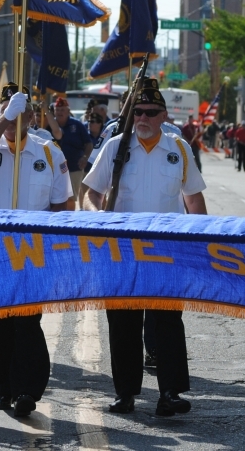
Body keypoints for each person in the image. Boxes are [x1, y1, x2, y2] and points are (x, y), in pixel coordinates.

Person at [83, 78, 207, 417]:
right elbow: (90, 194)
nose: (143, 118)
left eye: (151, 112)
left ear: (164, 116)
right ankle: (125, 393)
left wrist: (201, 243)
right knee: (123, 322)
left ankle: (169, 392)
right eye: (137, 111)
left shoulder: (178, 149)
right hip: (122, 252)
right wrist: (98, 218)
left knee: (167, 321)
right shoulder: (116, 148)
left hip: (167, 251)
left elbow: (194, 199)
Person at [0, 84, 73, 416]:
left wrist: (60, 252)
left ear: (31, 115)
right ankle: (2, 388)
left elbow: (62, 207)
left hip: (32, 253)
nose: (17, 117)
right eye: (9, 110)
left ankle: (27, 390)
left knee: (26, 323)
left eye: (23, 111)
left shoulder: (48, 153)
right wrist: (3, 120)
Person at [44, 96, 92, 209]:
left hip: (74, 167)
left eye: (62, 110)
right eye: (57, 110)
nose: (60, 112)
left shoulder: (77, 125)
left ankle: (68, 222)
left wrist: (85, 157)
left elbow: (89, 144)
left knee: (70, 198)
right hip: (53, 168)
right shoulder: (49, 125)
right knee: (53, 198)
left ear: (68, 111)